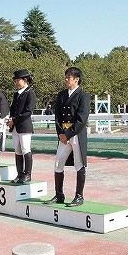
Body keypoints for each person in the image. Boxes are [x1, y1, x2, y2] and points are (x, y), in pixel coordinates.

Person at [44, 67, 90, 207]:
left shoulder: (83, 96)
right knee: (58, 162)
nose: (66, 79)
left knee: (79, 163)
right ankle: (59, 195)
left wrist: (68, 134)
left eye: (69, 77)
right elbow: (57, 116)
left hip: (76, 134)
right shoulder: (62, 95)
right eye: (66, 76)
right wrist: (61, 134)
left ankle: (79, 196)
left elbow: (82, 119)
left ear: (76, 79)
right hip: (63, 134)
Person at [6, 69, 36, 183]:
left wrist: (14, 120)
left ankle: (28, 174)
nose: (17, 82)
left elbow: (28, 111)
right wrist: (10, 119)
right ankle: (19, 174)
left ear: (25, 80)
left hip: (24, 125)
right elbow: (13, 109)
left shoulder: (30, 93)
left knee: (25, 149)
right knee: (17, 150)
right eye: (16, 80)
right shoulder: (16, 94)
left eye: (19, 80)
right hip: (15, 126)